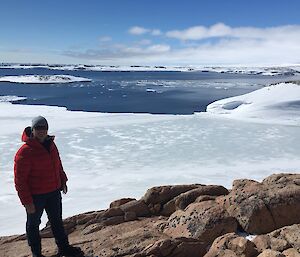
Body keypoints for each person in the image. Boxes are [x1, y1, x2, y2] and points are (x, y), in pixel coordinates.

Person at [14, 116, 84, 257]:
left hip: (53, 191)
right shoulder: (25, 152)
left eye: (44, 128)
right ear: (32, 130)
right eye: (38, 128)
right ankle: (37, 254)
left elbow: (57, 164)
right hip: (36, 196)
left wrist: (62, 180)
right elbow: (20, 180)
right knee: (33, 225)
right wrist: (27, 202)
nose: (42, 131)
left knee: (57, 221)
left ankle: (64, 248)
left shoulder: (51, 145)